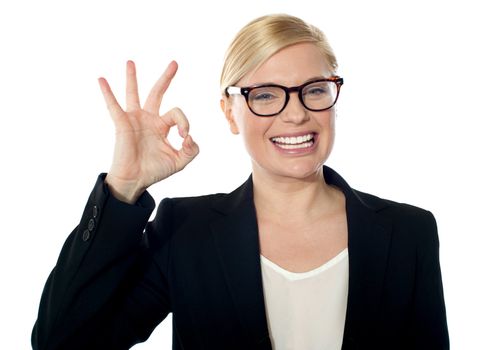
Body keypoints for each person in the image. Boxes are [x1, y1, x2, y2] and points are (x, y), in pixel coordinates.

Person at [31, 14, 449, 350]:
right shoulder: (185, 230)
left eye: (314, 90)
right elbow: (61, 341)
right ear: (230, 113)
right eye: (265, 95)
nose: (296, 114)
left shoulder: (407, 232)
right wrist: (123, 186)